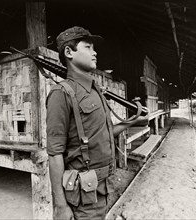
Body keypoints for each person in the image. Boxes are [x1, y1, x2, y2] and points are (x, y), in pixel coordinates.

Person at [46, 26, 149, 220]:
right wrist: (60, 205)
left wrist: (131, 121)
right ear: (69, 52)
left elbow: (106, 131)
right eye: (88, 47)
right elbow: (54, 153)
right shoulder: (61, 94)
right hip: (82, 199)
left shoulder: (95, 91)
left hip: (103, 188)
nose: (95, 53)